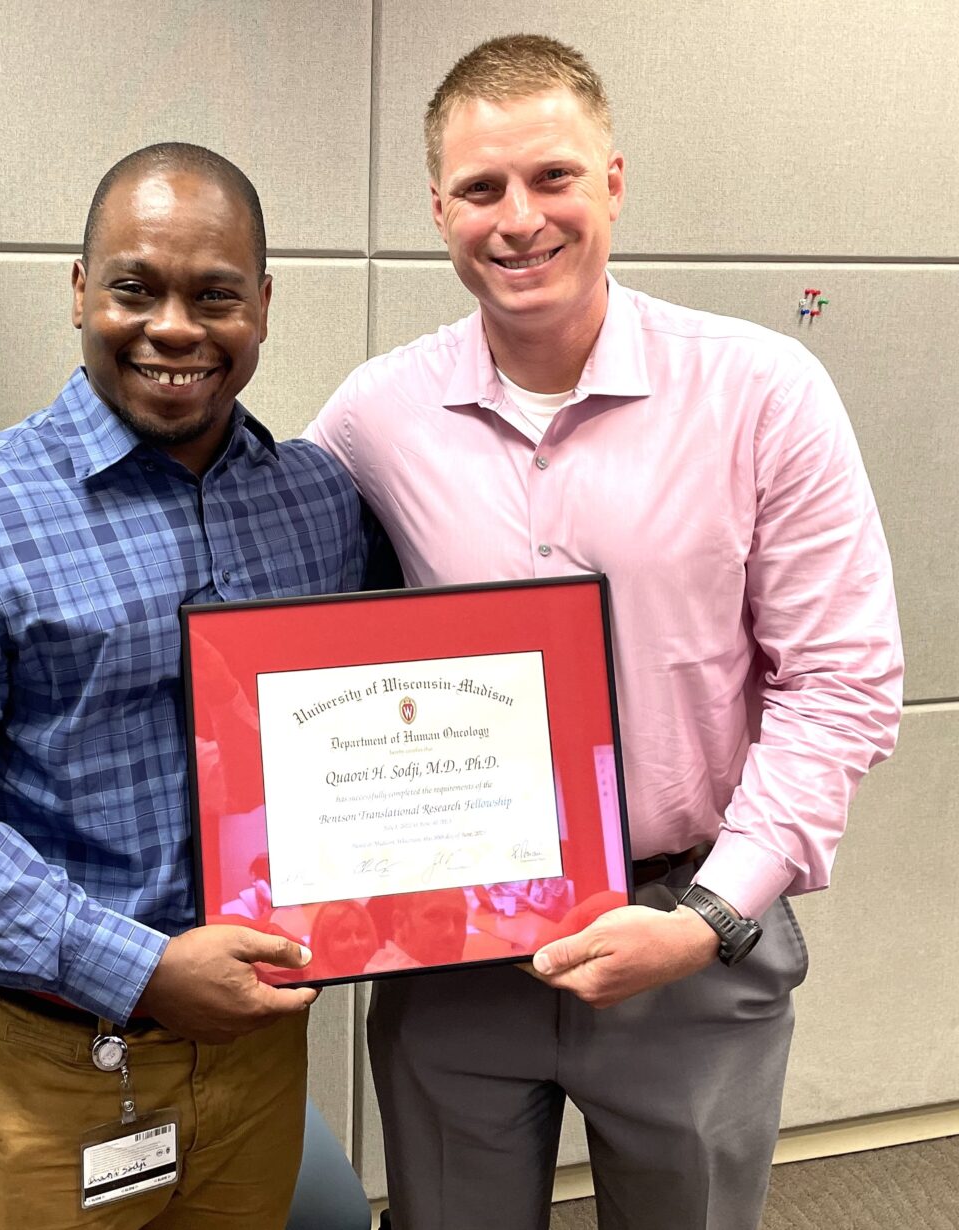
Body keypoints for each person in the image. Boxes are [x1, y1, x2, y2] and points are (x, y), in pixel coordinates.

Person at [306, 34, 903, 1230]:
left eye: (554, 177)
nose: (520, 219)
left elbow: (840, 685)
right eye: (482, 188)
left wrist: (713, 918)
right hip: (457, 949)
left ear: (614, 182)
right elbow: (290, 642)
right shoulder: (376, 416)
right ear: (439, 210)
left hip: (689, 928)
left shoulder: (762, 392)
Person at [0, 143, 372, 1230]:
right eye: (135, 288)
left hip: (258, 1048)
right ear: (80, 292)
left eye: (216, 295)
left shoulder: (318, 503)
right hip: (47, 1063)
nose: (175, 328)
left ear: (263, 305)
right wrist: (139, 968)